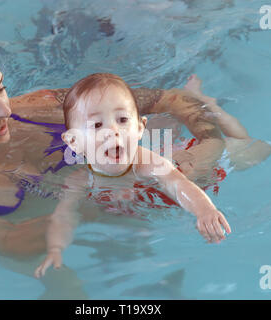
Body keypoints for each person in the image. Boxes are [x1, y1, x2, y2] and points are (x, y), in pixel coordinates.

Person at [0, 24, 252, 261]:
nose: (5, 109)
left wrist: (211, 144)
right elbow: (8, 245)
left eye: (1, 88)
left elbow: (174, 100)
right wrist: (89, 200)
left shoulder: (39, 107)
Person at [34, 73, 235, 277]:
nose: (113, 130)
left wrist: (204, 210)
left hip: (187, 159)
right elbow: (64, 216)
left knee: (234, 146)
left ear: (139, 129)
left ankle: (202, 100)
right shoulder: (78, 180)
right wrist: (55, 248)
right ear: (74, 142)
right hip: (134, 193)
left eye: (122, 120)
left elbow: (177, 184)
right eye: (97, 125)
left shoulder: (149, 163)